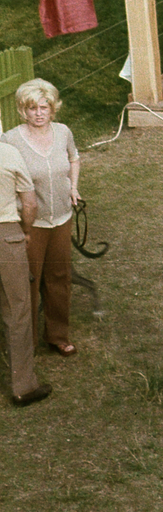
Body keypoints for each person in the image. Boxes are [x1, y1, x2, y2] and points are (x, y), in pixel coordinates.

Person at [3, 79, 82, 357]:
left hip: (61, 218)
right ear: (23, 111)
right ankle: (28, 342)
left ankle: (58, 335)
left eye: (44, 107)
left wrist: (73, 187)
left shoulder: (63, 133)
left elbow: (74, 158)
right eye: (32, 108)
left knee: (59, 277)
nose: (38, 113)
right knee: (29, 282)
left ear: (53, 108)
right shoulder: (11, 139)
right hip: (29, 224)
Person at [2, 139, 49, 407]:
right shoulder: (9, 153)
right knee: (17, 309)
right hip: (6, 236)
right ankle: (23, 386)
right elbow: (29, 204)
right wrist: (27, 230)